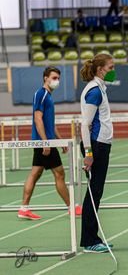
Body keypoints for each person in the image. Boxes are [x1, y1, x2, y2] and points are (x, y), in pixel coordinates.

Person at [18, 67, 82, 220]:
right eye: (54, 78)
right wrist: (46, 142)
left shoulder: (49, 96)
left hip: (47, 141)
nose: (56, 81)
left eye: (58, 78)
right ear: (45, 78)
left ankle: (23, 208)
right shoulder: (41, 94)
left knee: (36, 173)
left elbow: (50, 124)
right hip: (43, 142)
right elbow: (37, 119)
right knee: (59, 173)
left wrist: (60, 141)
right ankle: (71, 207)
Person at [80, 53, 115, 253]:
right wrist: (88, 153)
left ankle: (92, 237)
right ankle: (89, 240)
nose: (113, 71)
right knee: (94, 193)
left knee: (97, 192)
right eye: (110, 68)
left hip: (102, 144)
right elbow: (85, 125)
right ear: (101, 69)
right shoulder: (94, 91)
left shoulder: (100, 88)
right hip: (96, 146)